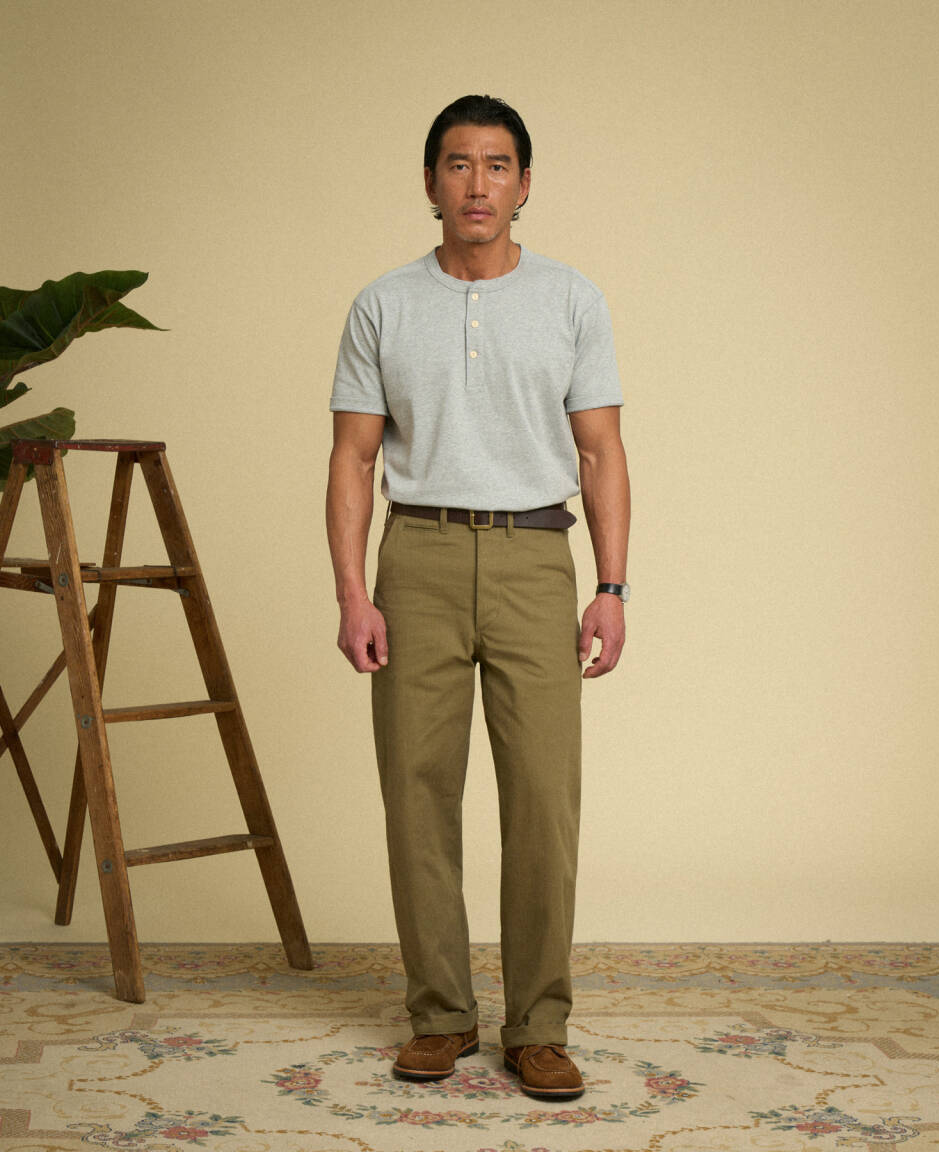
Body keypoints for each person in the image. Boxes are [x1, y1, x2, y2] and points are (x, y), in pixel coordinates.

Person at [326, 94, 630, 1101]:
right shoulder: (382, 304)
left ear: (525, 184)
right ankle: (440, 1015)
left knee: (543, 796)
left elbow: (602, 450)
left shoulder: (572, 299)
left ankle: (539, 1025)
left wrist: (612, 586)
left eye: (498, 165)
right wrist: (352, 592)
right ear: (430, 182)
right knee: (415, 791)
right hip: (415, 555)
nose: (478, 184)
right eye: (458, 164)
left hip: (537, 555)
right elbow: (352, 458)